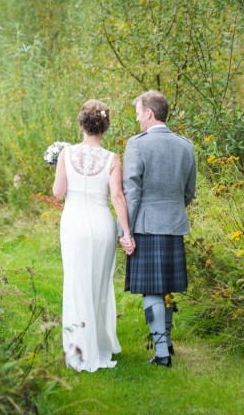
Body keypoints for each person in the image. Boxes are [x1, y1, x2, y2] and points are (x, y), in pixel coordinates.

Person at [53, 100, 134, 372]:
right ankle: (99, 345)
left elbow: (58, 192)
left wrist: (58, 167)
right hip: (102, 225)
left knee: (76, 284)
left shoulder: (66, 153)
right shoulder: (112, 158)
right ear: (105, 127)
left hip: (74, 223)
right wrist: (127, 232)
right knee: (100, 286)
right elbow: (117, 197)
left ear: (81, 123)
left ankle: (78, 349)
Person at [121, 90, 196, 367]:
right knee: (165, 286)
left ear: (150, 113)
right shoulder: (185, 145)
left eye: (139, 113)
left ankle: (162, 352)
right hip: (174, 224)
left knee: (152, 289)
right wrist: (173, 209)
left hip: (145, 225)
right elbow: (189, 191)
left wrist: (125, 229)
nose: (138, 119)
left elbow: (132, 192)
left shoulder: (136, 145)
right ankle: (168, 341)